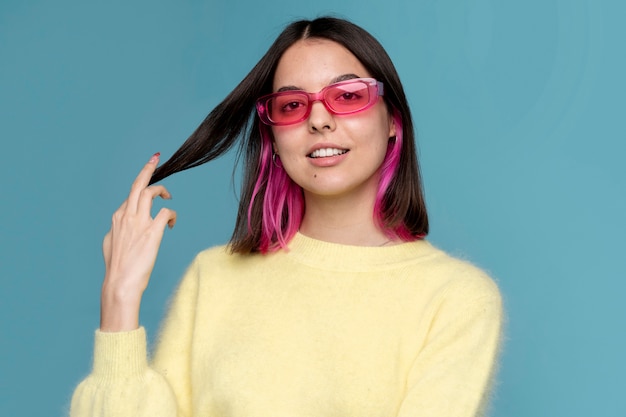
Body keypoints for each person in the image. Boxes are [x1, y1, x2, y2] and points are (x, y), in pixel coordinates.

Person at [70, 16, 503, 417]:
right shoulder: (213, 277)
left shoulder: (457, 299)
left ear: (392, 119)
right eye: (292, 106)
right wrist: (119, 299)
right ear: (273, 138)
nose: (318, 120)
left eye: (348, 96)